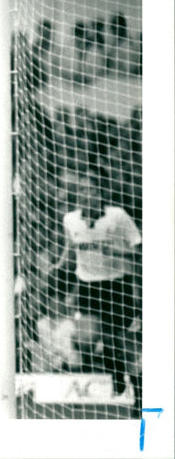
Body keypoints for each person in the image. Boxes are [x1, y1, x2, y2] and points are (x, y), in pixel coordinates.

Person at [52, 171, 142, 416]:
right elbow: (71, 248)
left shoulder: (117, 217)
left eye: (91, 190)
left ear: (101, 193)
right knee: (86, 338)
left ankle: (139, 396)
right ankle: (114, 369)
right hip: (88, 286)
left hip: (116, 285)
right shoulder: (70, 220)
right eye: (81, 190)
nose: (85, 194)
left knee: (124, 342)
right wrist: (58, 266)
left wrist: (115, 252)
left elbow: (139, 252)